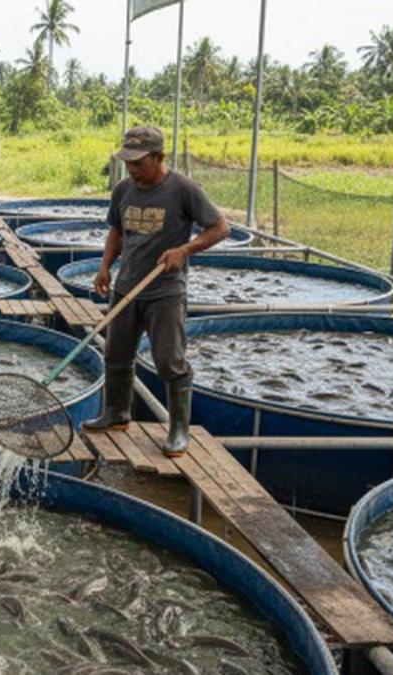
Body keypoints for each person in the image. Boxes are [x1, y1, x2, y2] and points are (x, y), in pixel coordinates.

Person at [82, 126, 230, 457]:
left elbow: (221, 228)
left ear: (159, 157)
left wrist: (185, 250)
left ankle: (179, 430)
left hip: (165, 290)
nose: (133, 170)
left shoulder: (184, 190)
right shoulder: (123, 190)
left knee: (169, 361)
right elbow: (117, 233)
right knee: (116, 353)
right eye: (128, 163)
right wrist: (105, 267)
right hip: (126, 285)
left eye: (139, 163)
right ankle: (117, 413)